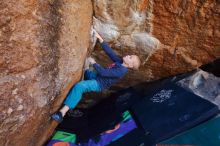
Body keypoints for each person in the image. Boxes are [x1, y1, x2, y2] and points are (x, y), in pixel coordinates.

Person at [51, 30, 141, 123]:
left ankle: (62, 113)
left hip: (98, 84)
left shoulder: (121, 71)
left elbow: (104, 73)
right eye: (130, 55)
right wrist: (100, 39)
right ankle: (73, 102)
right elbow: (111, 53)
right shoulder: (121, 62)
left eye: (130, 58)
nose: (128, 55)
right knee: (85, 71)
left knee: (79, 86)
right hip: (96, 77)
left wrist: (94, 63)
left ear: (130, 65)